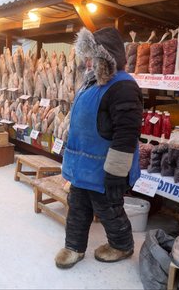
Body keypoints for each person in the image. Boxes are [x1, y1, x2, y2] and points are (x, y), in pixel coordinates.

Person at [54, 27, 143, 268]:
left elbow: (126, 134)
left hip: (105, 167)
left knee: (109, 210)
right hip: (83, 165)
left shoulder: (123, 86)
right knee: (78, 206)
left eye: (91, 56)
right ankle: (74, 247)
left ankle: (122, 245)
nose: (86, 61)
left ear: (105, 56)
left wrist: (115, 173)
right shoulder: (91, 82)